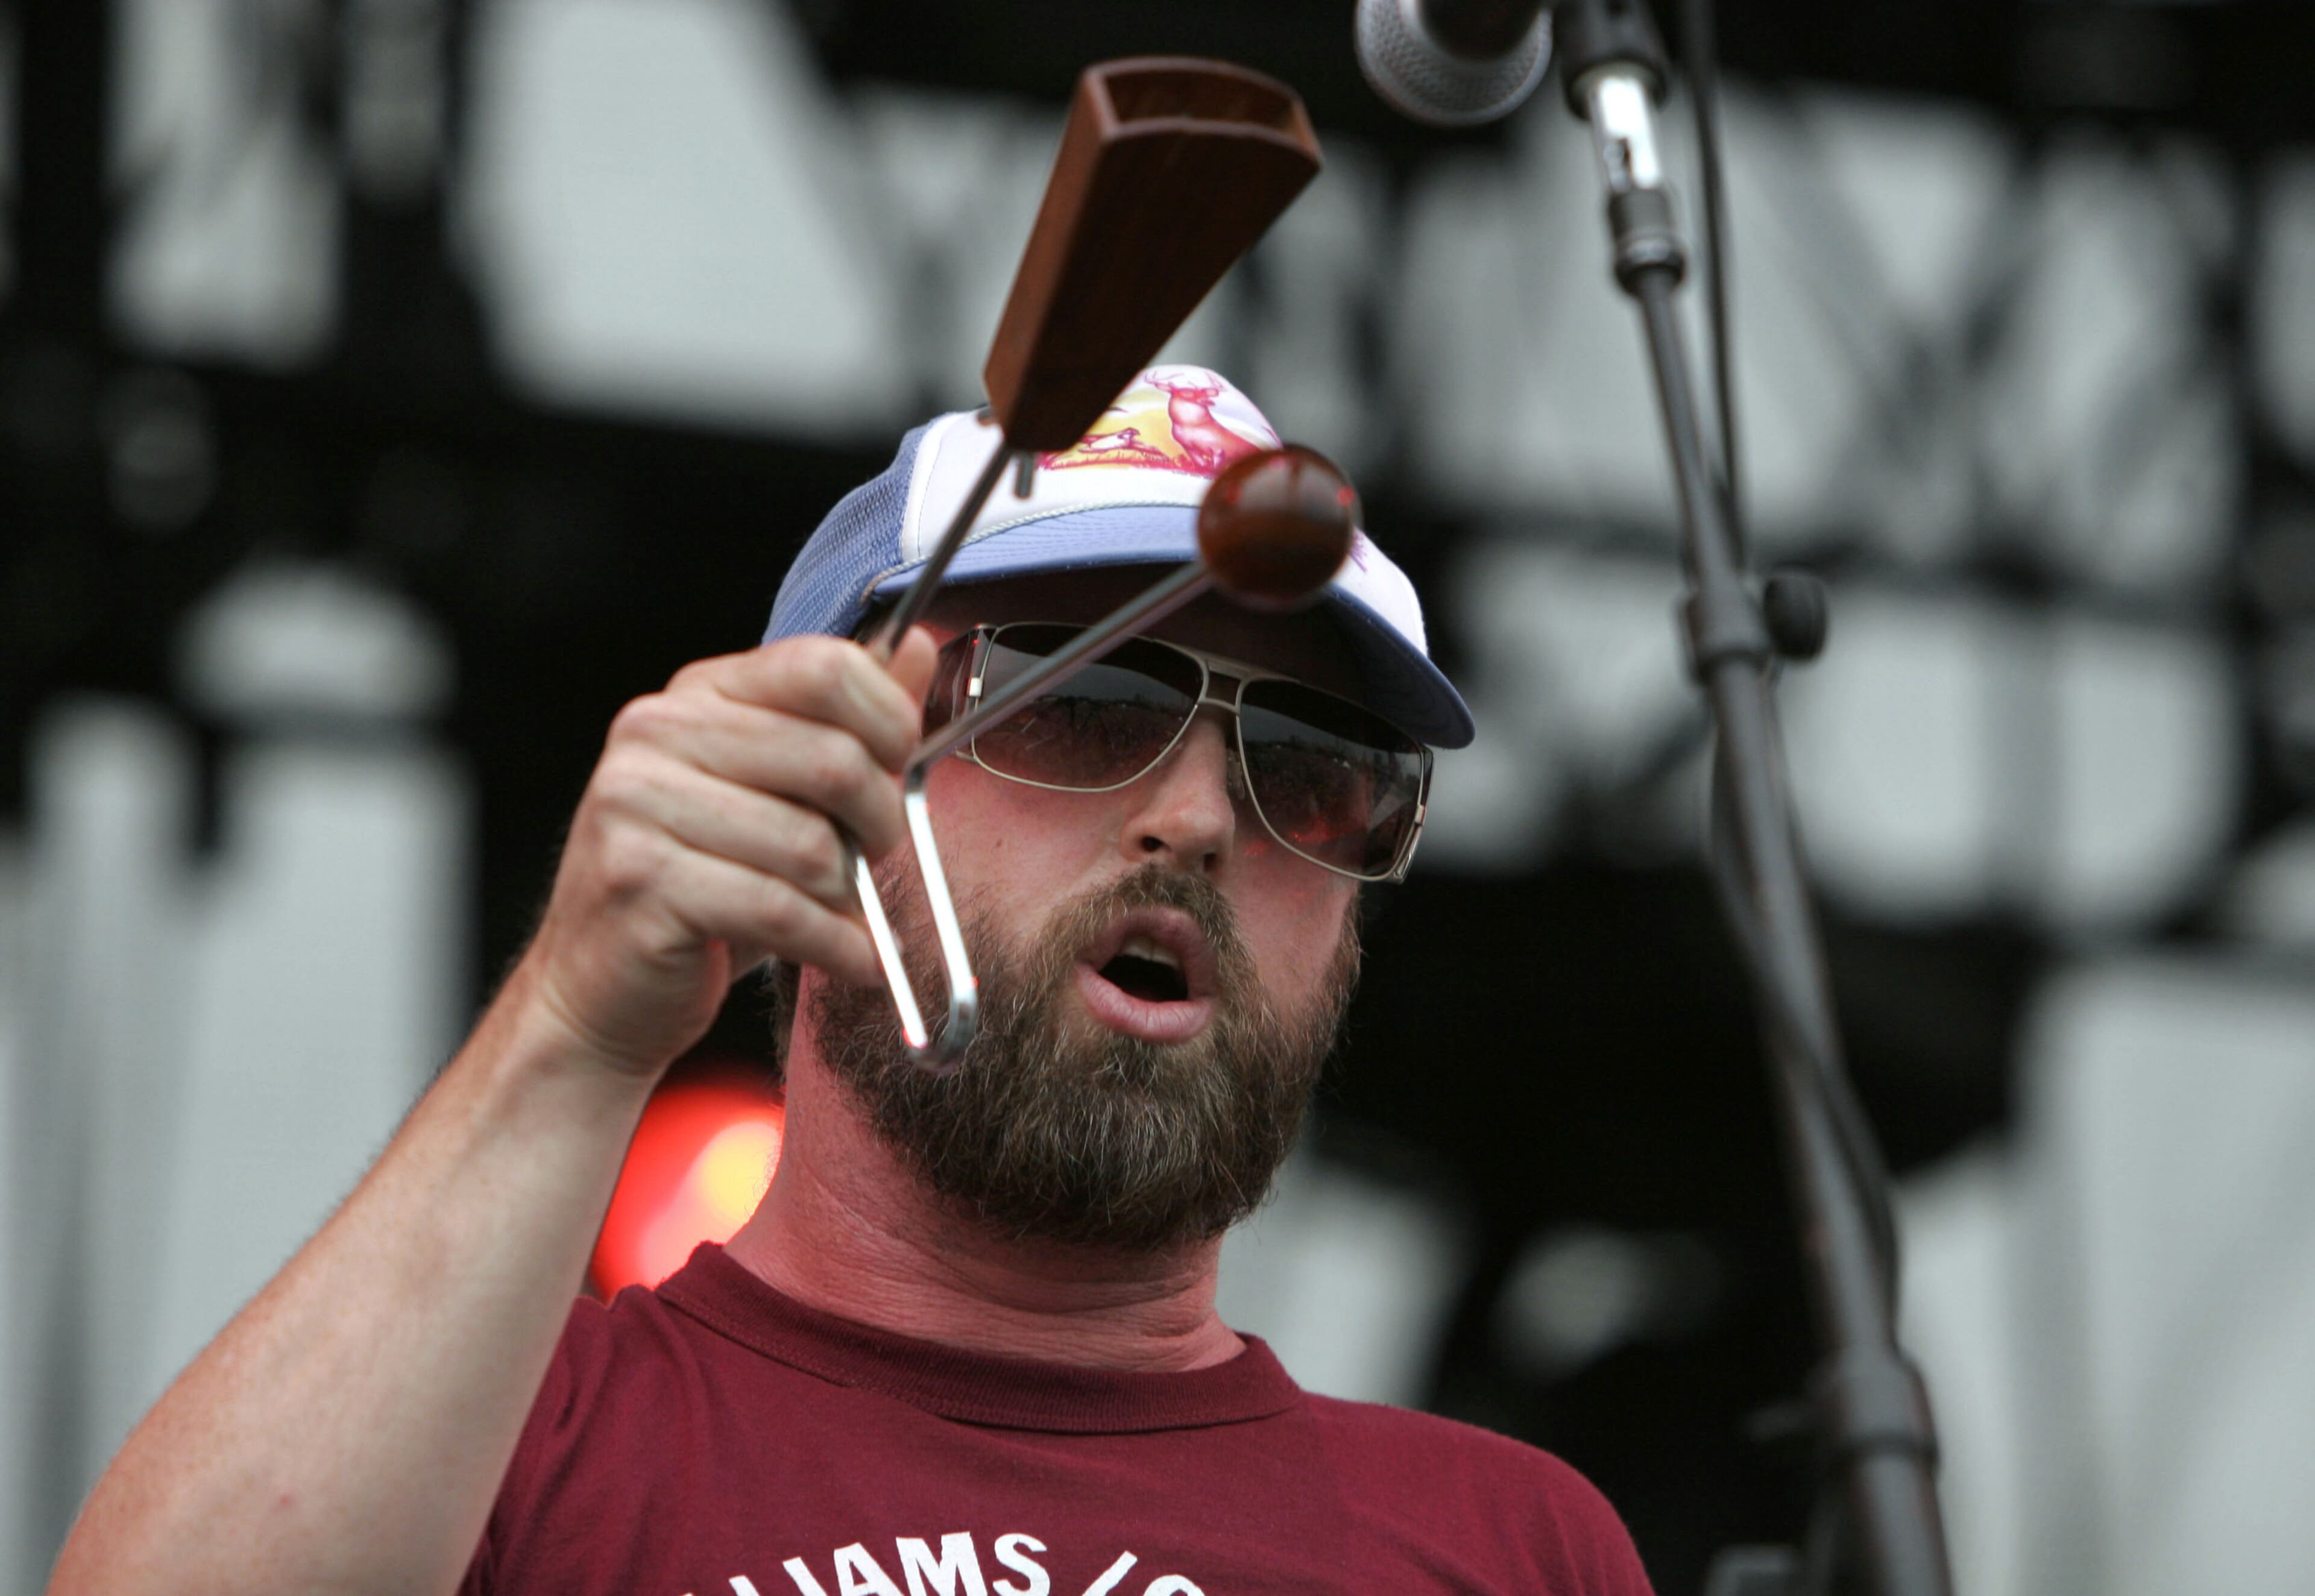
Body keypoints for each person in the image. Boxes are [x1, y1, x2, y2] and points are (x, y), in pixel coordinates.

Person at [49, 368, 1654, 1596]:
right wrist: (570, 1029)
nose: (1195, 815)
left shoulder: (1510, 1547)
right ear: (824, 781)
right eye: (1078, 699)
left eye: (1313, 769)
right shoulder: (488, 1450)